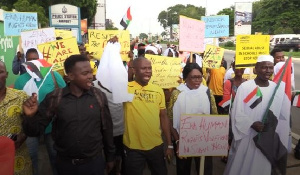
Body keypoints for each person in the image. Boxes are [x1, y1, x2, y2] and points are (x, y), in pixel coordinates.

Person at [22, 55, 115, 175]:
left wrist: (110, 156)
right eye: (85, 73)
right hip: (65, 165)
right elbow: (34, 131)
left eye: (90, 72)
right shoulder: (55, 98)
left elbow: (107, 128)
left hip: (94, 163)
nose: (90, 76)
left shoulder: (99, 96)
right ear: (70, 76)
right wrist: (30, 117)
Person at [223, 55, 288, 175]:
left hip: (267, 138)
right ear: (256, 69)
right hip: (247, 136)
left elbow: (280, 113)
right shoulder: (245, 87)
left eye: (270, 67)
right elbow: (236, 112)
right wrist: (251, 123)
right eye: (264, 67)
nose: (268, 70)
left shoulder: (275, 88)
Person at [14, 48, 65, 175]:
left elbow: (65, 95)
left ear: (40, 60)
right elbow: (17, 104)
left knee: (54, 155)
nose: (33, 62)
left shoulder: (53, 75)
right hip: (30, 125)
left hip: (52, 125)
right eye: (29, 60)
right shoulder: (20, 81)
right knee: (31, 156)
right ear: (25, 62)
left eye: (35, 59)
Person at [123, 57, 173, 175]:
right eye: (144, 68)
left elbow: (163, 117)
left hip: (156, 146)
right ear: (134, 70)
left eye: (149, 68)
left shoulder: (158, 90)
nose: (148, 71)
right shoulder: (125, 88)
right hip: (132, 148)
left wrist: (170, 144)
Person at [168, 63, 217, 175]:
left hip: (204, 140)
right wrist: (177, 140)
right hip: (183, 140)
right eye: (193, 77)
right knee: (183, 169)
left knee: (204, 169)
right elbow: (170, 119)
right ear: (185, 78)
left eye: (200, 77)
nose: (197, 80)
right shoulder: (177, 93)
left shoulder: (207, 92)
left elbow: (215, 117)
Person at [0, 61, 32, 175]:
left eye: (0, 72)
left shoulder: (20, 97)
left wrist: (23, 136)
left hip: (18, 161)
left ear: (7, 74)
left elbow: (32, 125)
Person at [94, 81, 124, 175]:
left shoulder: (122, 84)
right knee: (107, 154)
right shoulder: (93, 86)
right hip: (103, 129)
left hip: (120, 128)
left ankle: (117, 170)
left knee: (119, 153)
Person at [219, 61, 246, 163]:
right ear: (233, 68)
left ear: (244, 69)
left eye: (241, 67)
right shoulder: (228, 83)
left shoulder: (247, 83)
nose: (239, 69)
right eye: (237, 67)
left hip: (243, 114)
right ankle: (226, 153)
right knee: (229, 135)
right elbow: (226, 100)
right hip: (230, 114)